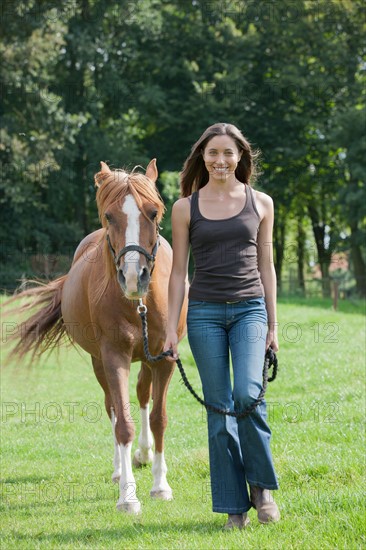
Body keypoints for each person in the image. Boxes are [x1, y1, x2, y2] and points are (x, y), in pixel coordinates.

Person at [163, 122, 280, 530]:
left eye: (228, 153)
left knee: (247, 393)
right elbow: (178, 273)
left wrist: (273, 325)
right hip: (205, 315)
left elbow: (267, 267)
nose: (220, 160)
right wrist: (167, 329)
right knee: (219, 410)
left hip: (250, 309)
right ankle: (233, 506)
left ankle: (261, 488)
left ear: (241, 157)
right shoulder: (185, 208)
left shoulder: (261, 202)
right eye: (213, 153)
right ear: (202, 158)